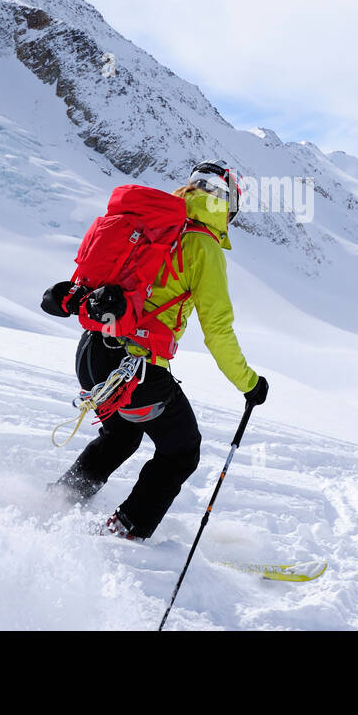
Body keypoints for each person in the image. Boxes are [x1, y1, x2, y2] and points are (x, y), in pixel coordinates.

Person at [48, 160, 269, 540]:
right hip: (135, 369)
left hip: (92, 351)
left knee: (121, 436)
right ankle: (126, 532)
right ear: (228, 205)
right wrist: (249, 384)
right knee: (182, 449)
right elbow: (217, 331)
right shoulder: (203, 245)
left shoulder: (151, 226)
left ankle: (57, 503)